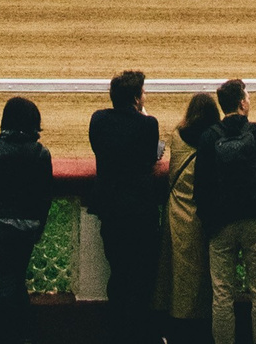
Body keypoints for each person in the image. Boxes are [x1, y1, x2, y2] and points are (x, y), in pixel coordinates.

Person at [198, 80, 256, 344]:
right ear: (242, 103)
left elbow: (202, 185)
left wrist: (210, 220)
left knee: (222, 297)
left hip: (221, 224)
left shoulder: (209, 137)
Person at [0, 96, 53, 341]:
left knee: (7, 281)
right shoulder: (41, 153)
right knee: (16, 278)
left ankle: (10, 333)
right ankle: (22, 331)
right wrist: (39, 226)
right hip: (28, 227)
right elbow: (44, 196)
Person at [90, 71, 165, 332]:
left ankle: (118, 333)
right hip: (141, 215)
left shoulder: (99, 120)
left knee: (119, 276)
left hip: (112, 213)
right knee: (142, 280)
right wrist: (142, 114)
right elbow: (150, 156)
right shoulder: (148, 124)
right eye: (143, 93)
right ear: (135, 98)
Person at [165, 93, 221, 341]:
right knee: (207, 280)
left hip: (176, 215)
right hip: (205, 217)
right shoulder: (215, 143)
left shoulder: (177, 137)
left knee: (176, 278)